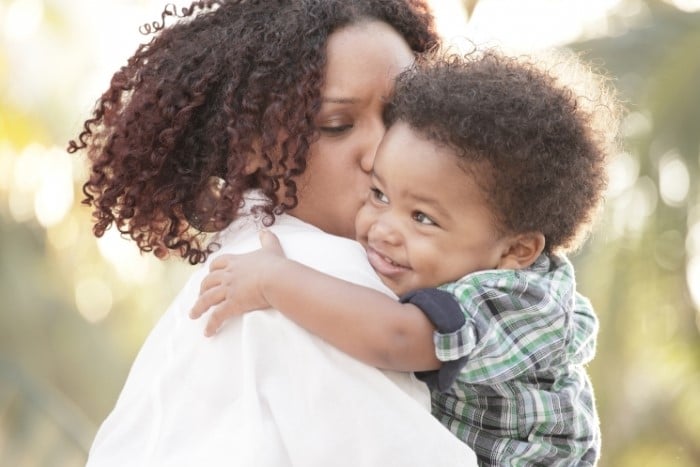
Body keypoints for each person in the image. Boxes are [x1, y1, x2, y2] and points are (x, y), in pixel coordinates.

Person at [69, 0, 478, 465]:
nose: (384, 149)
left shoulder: (246, 265)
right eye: (338, 125)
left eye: (406, 114)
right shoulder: (309, 281)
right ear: (250, 149)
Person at [191, 49, 621, 465]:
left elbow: (396, 338)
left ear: (516, 250)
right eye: (379, 195)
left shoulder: (514, 300)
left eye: (422, 218)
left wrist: (275, 280)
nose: (383, 229)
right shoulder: (457, 265)